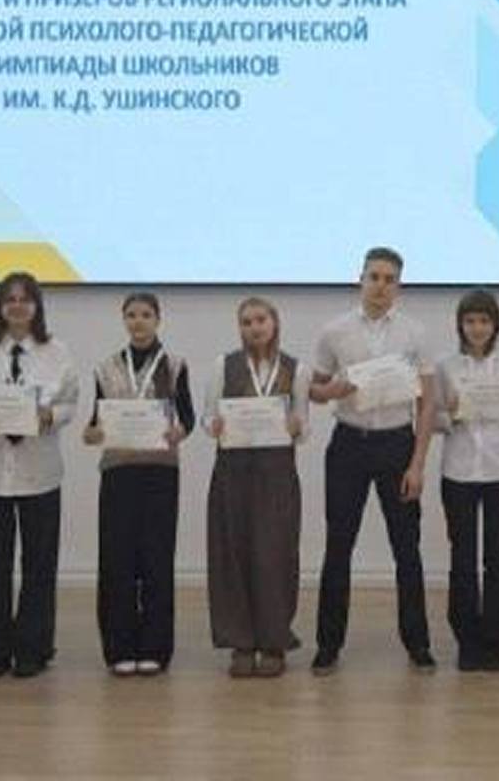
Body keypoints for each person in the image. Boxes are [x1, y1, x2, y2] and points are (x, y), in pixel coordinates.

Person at [309, 246, 437, 674]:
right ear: (360, 279)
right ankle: (328, 645)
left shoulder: (415, 333)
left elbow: (427, 402)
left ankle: (418, 644)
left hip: (397, 444)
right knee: (338, 545)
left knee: (407, 548)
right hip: (349, 443)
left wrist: (417, 463)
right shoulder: (335, 331)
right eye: (374, 277)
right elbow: (314, 390)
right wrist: (335, 390)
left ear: (399, 286)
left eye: (389, 279)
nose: (381, 286)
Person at [0, 271, 79, 679]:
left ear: (36, 306)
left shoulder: (57, 351)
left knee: (39, 565)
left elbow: (70, 403)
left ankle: (33, 649)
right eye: (9, 299)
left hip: (40, 470)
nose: (16, 306)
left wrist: (52, 415)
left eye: (24, 299)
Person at [82, 292, 195, 675]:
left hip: (161, 470)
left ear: (158, 319)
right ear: (124, 320)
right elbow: (95, 421)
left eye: (146, 314)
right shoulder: (106, 367)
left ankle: (155, 648)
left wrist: (180, 431)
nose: (139, 321)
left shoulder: (175, 365)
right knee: (117, 559)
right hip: (118, 471)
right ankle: (119, 648)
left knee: (156, 558)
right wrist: (91, 434)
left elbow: (188, 417)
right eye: (131, 315)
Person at [204, 297, 309, 678]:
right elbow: (207, 416)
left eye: (261, 319)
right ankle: (241, 643)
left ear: (274, 322)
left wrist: (297, 427)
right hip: (232, 470)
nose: (254, 327)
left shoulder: (297, 369)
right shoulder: (224, 365)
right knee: (232, 554)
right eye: (246, 322)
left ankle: (274, 641)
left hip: (277, 472)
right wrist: (213, 425)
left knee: (274, 556)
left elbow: (304, 425)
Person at [435, 290, 499, 671]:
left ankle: (495, 642)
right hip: (458, 473)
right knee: (462, 561)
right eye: (470, 321)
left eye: (484, 321)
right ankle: (467, 641)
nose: (477, 328)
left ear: (496, 325)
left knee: (498, 561)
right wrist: (450, 414)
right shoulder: (446, 367)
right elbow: (432, 418)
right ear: (460, 325)